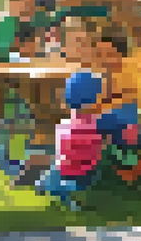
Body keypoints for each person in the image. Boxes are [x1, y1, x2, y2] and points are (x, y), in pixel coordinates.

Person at [38, 70, 106, 209]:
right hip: (85, 175)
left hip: (68, 171)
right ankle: (61, 188)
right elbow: (96, 154)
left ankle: (54, 186)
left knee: (54, 169)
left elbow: (61, 154)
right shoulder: (95, 124)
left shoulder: (64, 125)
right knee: (65, 176)